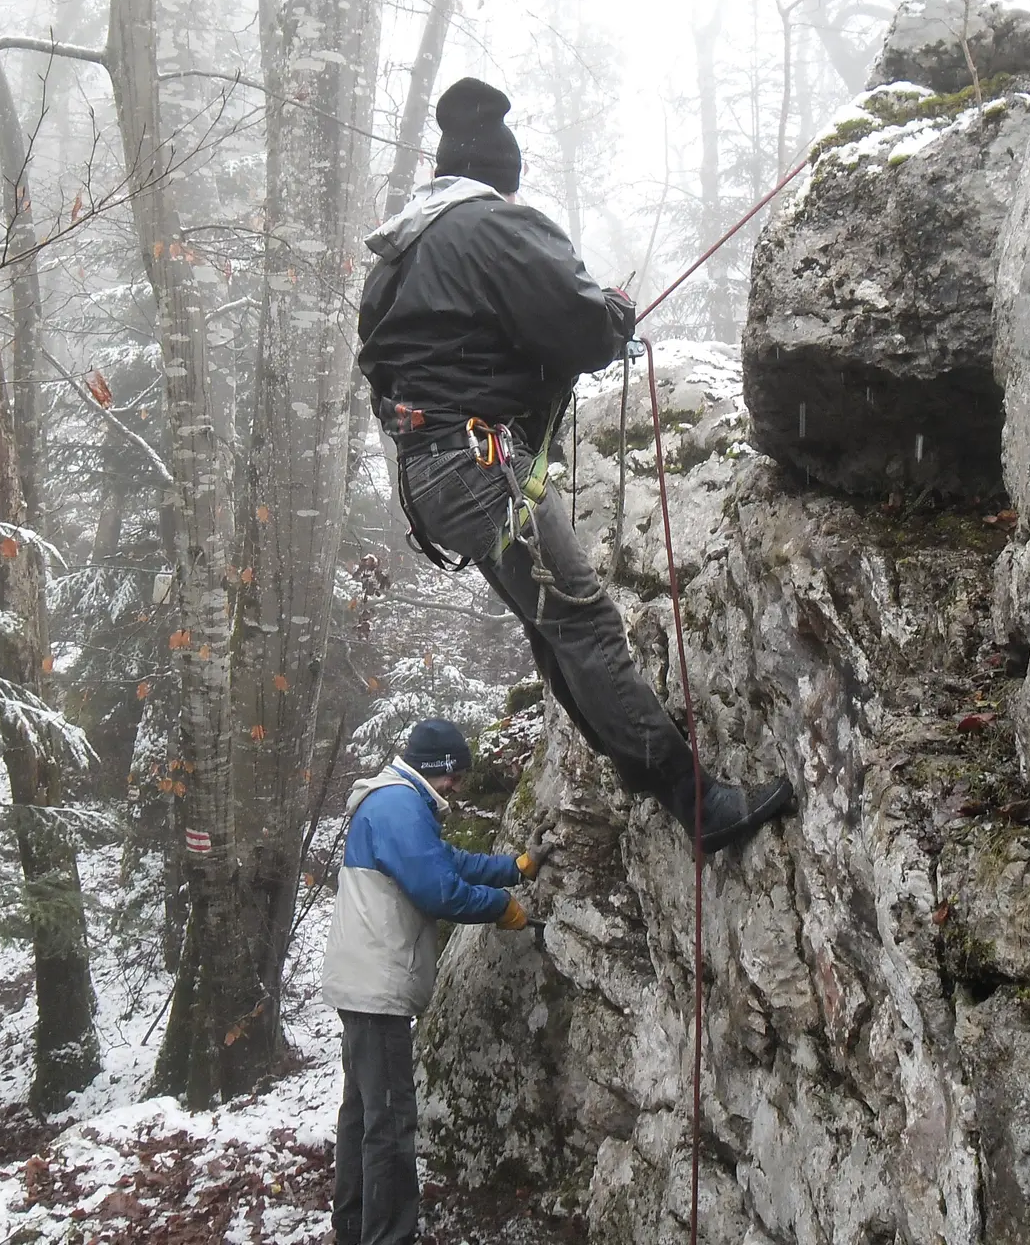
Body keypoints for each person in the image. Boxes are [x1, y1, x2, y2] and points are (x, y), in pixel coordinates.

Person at [357, 77, 793, 855]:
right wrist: (615, 312)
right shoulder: (492, 225)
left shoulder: (396, 255)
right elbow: (584, 324)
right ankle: (694, 800)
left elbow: (400, 363)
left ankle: (647, 763)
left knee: (554, 625)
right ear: (502, 170)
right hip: (479, 458)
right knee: (583, 622)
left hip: (432, 472)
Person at [321, 718, 547, 1245]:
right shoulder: (399, 805)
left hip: (363, 983)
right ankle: (388, 1236)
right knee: (391, 1123)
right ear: (439, 769)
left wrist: (513, 867)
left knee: (363, 1113)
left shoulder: (395, 804)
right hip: (378, 988)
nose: (459, 788)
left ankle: (354, 1226)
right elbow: (436, 889)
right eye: (456, 776)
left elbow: (446, 862)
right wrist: (503, 908)